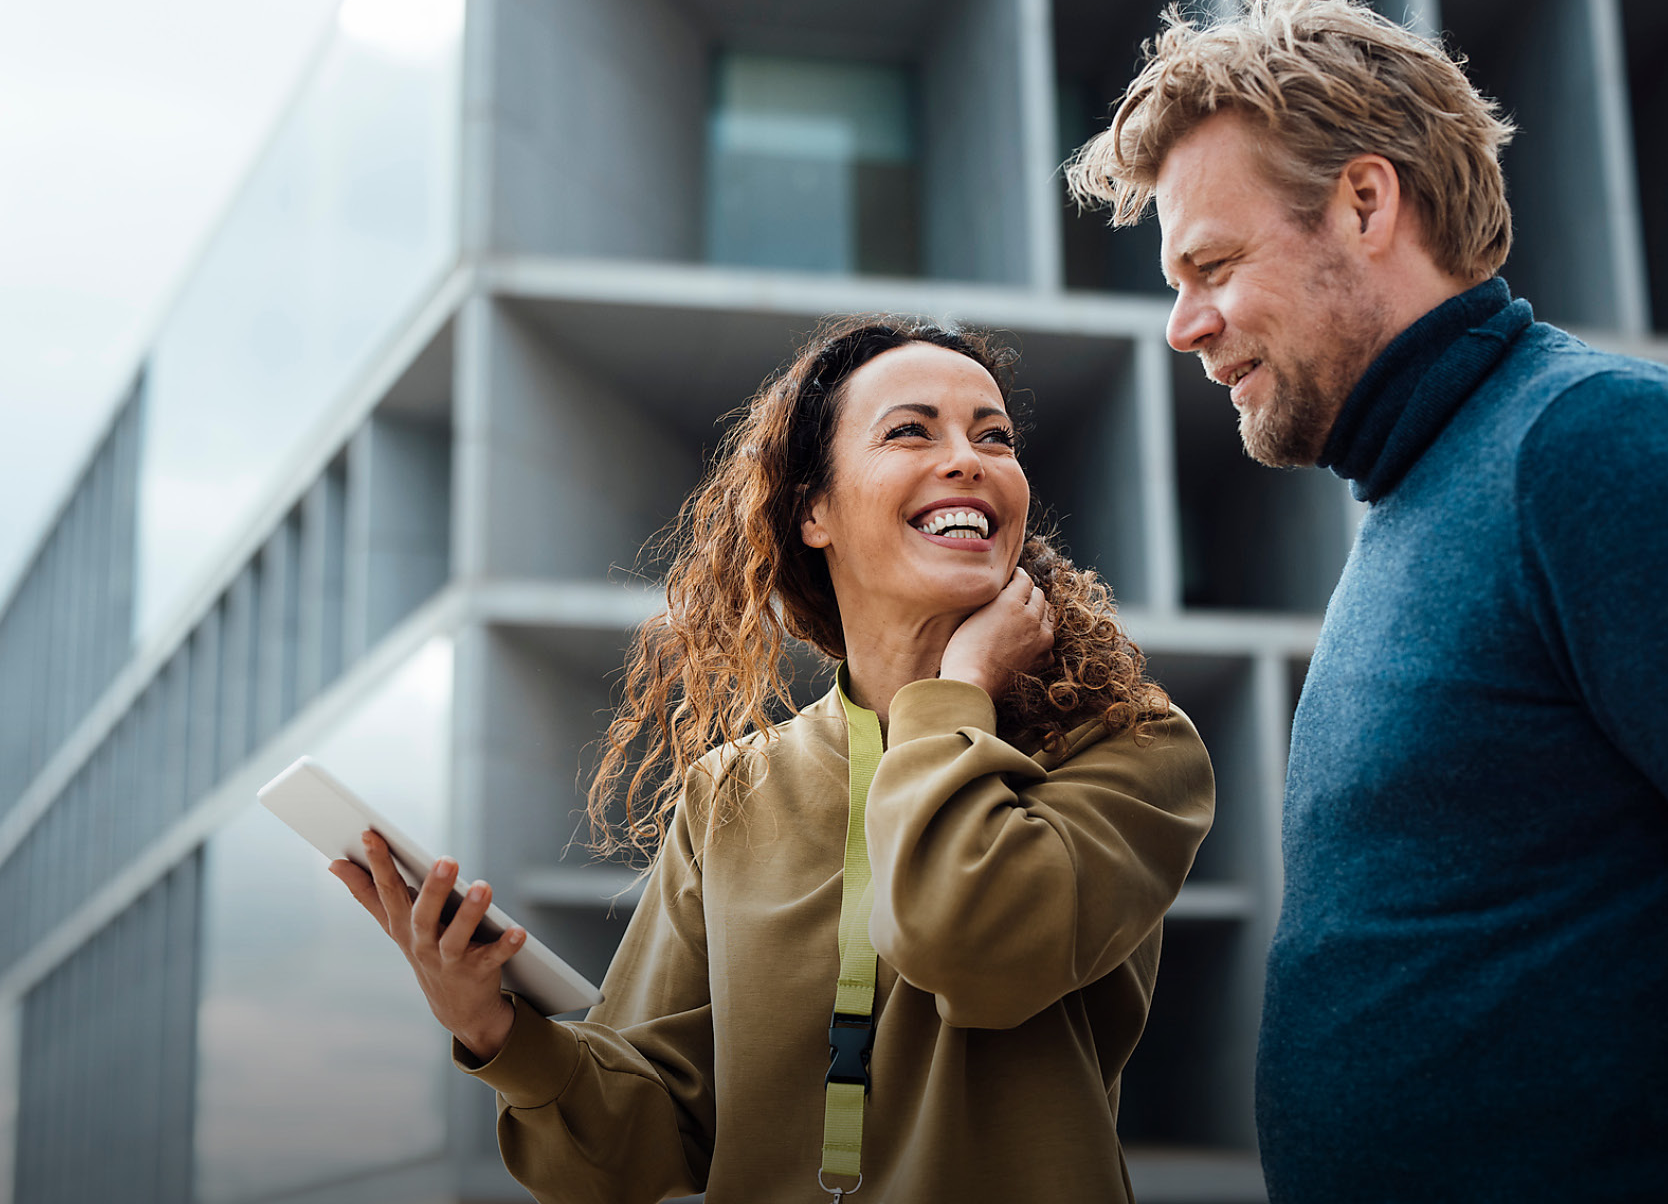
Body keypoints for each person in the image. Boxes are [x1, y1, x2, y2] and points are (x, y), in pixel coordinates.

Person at [1066, 0, 1668, 1203]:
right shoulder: (1413, 496)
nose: (1180, 326)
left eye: (1210, 264)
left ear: (1363, 202)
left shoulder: (1598, 447)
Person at [330, 316, 1215, 1202]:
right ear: (813, 511)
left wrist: (961, 687)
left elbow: (973, 947)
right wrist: (489, 1026)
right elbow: (627, 1151)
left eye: (995, 437)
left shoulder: (1129, 746)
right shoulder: (732, 793)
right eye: (912, 431)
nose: (969, 458)